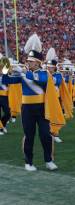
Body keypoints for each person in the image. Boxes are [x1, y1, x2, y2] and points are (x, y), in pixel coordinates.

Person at [2, 34, 58, 171]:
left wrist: (24, 72)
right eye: (28, 61)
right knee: (29, 135)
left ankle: (49, 160)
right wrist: (4, 70)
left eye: (31, 61)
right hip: (27, 108)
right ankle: (28, 162)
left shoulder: (45, 73)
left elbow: (41, 80)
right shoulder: (23, 74)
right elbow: (6, 81)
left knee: (45, 134)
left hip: (42, 108)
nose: (28, 63)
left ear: (38, 62)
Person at [0, 56, 11, 135]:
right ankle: (0, 128)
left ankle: (3, 125)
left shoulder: (7, 72)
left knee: (8, 113)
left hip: (5, 96)